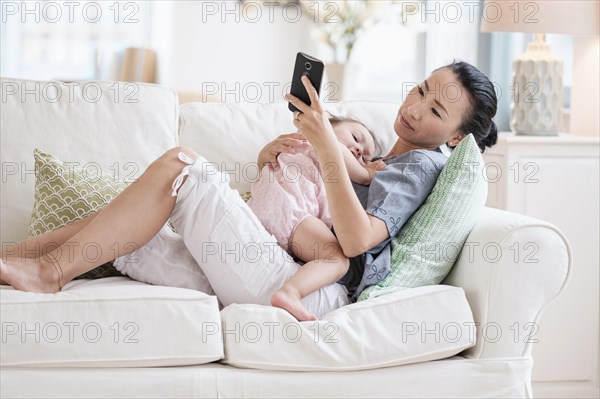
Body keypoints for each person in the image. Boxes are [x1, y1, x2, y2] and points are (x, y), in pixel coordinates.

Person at [0, 61, 498, 320]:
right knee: (136, 224)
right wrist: (277, 155)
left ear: (456, 137)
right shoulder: (384, 158)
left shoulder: (419, 166)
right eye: (421, 90)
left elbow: (356, 242)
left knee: (183, 167)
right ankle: (12, 258)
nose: (415, 107)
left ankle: (46, 273)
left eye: (435, 111)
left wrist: (326, 144)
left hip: (309, 288)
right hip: (275, 269)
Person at [248, 116, 385, 320]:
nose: (358, 150)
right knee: (337, 259)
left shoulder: (309, 156)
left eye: (364, 157)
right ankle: (290, 292)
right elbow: (339, 154)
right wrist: (367, 172)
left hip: (266, 210)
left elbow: (268, 166)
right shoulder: (319, 140)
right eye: (356, 138)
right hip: (290, 207)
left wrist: (262, 158)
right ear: (327, 124)